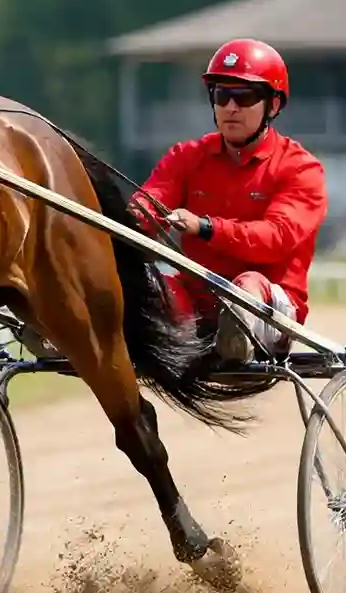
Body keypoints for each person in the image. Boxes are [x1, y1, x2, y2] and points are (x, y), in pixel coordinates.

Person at [132, 37, 328, 363]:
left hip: (270, 310)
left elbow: (275, 238)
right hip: (196, 303)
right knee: (142, 283)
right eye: (222, 96)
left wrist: (206, 228)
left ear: (274, 105)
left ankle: (236, 338)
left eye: (244, 96)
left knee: (247, 285)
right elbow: (150, 200)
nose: (231, 108)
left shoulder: (301, 169)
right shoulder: (186, 156)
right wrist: (135, 219)